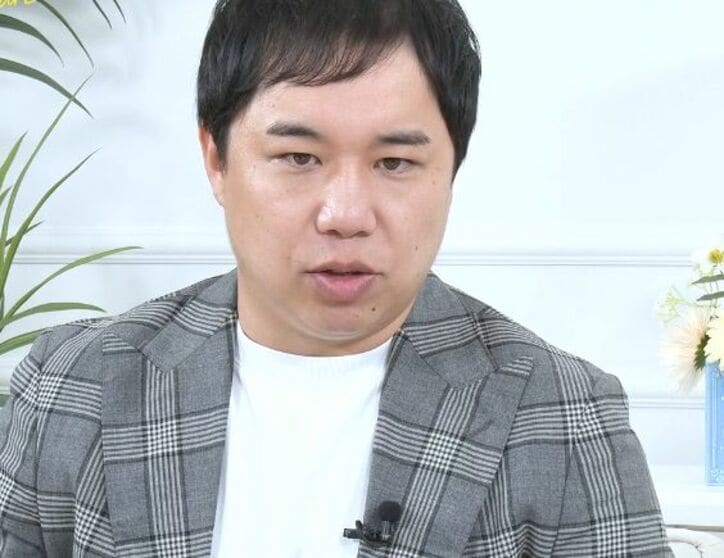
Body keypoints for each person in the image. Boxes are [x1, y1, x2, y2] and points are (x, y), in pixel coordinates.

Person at [0, 1, 672, 556]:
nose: (346, 215)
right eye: (299, 157)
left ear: (452, 169)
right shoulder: (72, 386)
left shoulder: (563, 415)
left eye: (394, 163)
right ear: (216, 159)